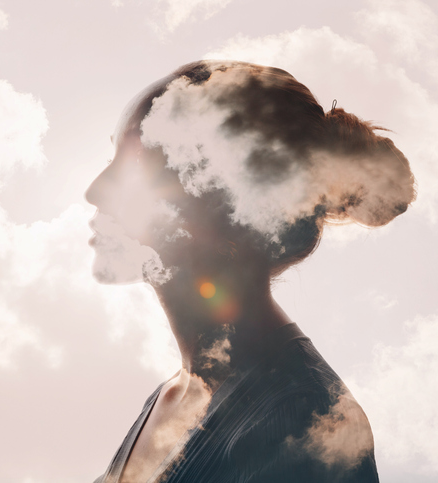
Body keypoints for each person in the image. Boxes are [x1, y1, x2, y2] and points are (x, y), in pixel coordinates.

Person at [85, 61, 415, 483]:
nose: (95, 190)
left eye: (139, 162)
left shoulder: (299, 419)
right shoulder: (171, 395)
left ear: (228, 201)